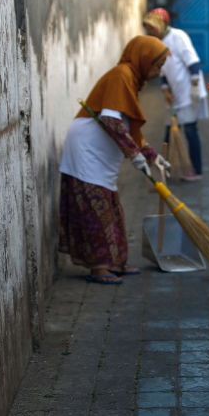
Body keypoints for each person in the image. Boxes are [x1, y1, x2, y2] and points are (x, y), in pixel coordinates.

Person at [58, 36, 171, 285]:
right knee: (96, 209)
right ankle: (99, 267)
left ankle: (116, 262)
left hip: (100, 155)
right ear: (142, 58)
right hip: (86, 152)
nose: (158, 71)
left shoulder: (131, 79)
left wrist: (152, 156)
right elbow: (111, 121)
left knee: (112, 208)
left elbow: (129, 127)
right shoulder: (122, 76)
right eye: (157, 64)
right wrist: (135, 156)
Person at [142, 8, 206, 180]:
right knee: (169, 131)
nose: (151, 31)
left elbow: (192, 61)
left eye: (153, 27)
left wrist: (194, 86)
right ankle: (168, 167)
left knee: (190, 130)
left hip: (188, 91)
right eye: (148, 28)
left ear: (162, 24)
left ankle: (196, 170)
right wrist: (165, 90)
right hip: (175, 93)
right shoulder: (157, 42)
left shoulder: (178, 37)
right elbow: (162, 69)